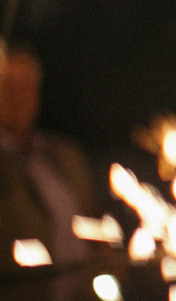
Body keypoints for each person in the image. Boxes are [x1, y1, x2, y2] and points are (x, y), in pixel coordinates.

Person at [0, 44, 101, 301]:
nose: (19, 97)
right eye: (9, 86)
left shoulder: (66, 155)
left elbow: (91, 222)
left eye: (27, 87)